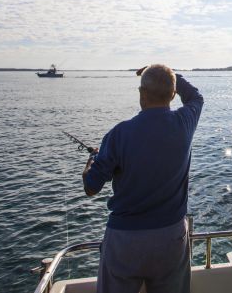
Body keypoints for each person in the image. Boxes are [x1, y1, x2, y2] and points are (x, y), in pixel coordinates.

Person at [82, 64, 203, 293]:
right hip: (171, 238)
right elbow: (195, 96)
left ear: (141, 93)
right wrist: (169, 75)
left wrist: (91, 162)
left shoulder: (119, 134)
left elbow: (91, 187)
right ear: (173, 94)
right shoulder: (185, 123)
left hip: (125, 241)